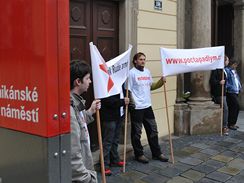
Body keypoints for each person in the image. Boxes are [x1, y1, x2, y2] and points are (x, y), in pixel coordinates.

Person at [128, 52, 169, 164]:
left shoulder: (147, 72)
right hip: (137, 107)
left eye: (144, 59)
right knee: (137, 132)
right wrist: (132, 104)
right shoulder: (131, 73)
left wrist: (161, 82)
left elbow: (151, 86)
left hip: (147, 106)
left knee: (153, 130)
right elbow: (128, 90)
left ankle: (156, 153)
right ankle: (139, 154)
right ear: (135, 61)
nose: (143, 61)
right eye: (140, 59)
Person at [70, 60, 101, 183]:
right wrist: (88, 179)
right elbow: (73, 154)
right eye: (87, 78)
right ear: (78, 82)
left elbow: (80, 124)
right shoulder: (70, 107)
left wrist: (90, 111)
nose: (90, 81)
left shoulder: (76, 102)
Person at [100, 89, 129, 176]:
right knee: (108, 141)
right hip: (109, 116)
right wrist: (122, 101)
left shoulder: (120, 82)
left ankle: (115, 159)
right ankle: (104, 164)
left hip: (119, 114)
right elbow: (108, 100)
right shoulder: (107, 82)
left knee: (115, 139)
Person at [210, 55, 229, 135]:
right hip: (219, 93)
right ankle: (224, 127)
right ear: (224, 61)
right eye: (227, 60)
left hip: (224, 92)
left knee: (226, 108)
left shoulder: (224, 70)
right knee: (225, 108)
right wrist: (219, 82)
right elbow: (212, 81)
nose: (228, 62)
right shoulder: (216, 70)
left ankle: (226, 125)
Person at [225, 58, 242, 130]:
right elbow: (227, 81)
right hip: (231, 91)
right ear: (232, 64)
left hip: (236, 91)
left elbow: (236, 80)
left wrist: (239, 87)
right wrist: (230, 87)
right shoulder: (227, 71)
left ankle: (232, 123)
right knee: (236, 106)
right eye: (235, 64)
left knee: (233, 107)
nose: (236, 66)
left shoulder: (234, 71)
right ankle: (231, 123)